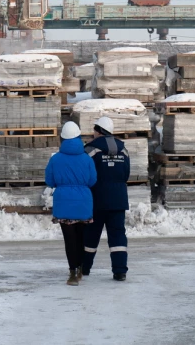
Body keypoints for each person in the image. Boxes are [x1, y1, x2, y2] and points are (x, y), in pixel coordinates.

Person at [45, 121, 97, 286]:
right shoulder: (87, 158)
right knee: (81, 237)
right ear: (78, 137)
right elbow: (92, 180)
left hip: (64, 202)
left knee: (69, 240)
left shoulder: (56, 159)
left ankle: (73, 273)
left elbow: (49, 180)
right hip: (84, 202)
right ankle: (81, 268)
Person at [82, 116, 130, 281]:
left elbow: (85, 174)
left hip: (97, 200)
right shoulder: (123, 150)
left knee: (91, 235)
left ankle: (84, 268)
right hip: (118, 200)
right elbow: (126, 174)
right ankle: (120, 271)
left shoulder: (90, 150)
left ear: (98, 131)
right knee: (117, 236)